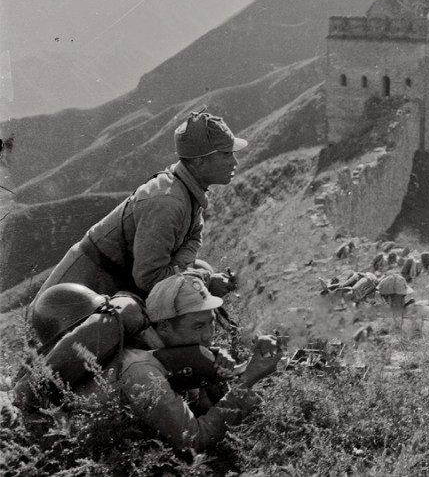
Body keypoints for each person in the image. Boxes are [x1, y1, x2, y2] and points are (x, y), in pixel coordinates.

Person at [32, 110, 246, 303]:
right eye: (226, 154)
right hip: (84, 284)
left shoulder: (188, 192)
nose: (234, 162)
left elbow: (193, 237)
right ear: (199, 161)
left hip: (112, 281)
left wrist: (186, 271)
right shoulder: (168, 202)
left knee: (199, 271)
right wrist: (205, 281)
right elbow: (148, 278)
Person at [111, 273, 283, 451]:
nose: (209, 335)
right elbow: (195, 439)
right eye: (198, 326)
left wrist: (248, 364)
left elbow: (205, 405)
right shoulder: (142, 371)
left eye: (212, 323)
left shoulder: (178, 352)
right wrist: (247, 382)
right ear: (163, 328)